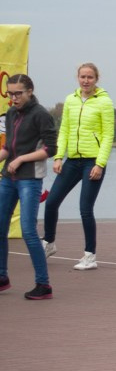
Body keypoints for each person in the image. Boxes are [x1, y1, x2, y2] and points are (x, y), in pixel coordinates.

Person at [43, 62, 115, 270]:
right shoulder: (70, 100)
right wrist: (58, 157)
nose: (85, 81)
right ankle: (48, 242)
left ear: (96, 79)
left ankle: (90, 256)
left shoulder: (104, 101)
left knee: (85, 209)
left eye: (90, 77)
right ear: (77, 78)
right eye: (82, 77)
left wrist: (100, 164)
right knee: (51, 202)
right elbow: (64, 129)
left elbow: (108, 135)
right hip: (72, 160)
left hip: (93, 161)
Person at [0, 74, 57, 300]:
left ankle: (44, 285)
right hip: (8, 177)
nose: (14, 98)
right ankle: (2, 277)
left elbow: (50, 149)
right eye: (10, 93)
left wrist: (22, 159)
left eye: (18, 93)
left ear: (30, 91)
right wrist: (7, 158)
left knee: (28, 231)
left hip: (30, 179)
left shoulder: (41, 114)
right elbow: (8, 149)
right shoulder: (12, 113)